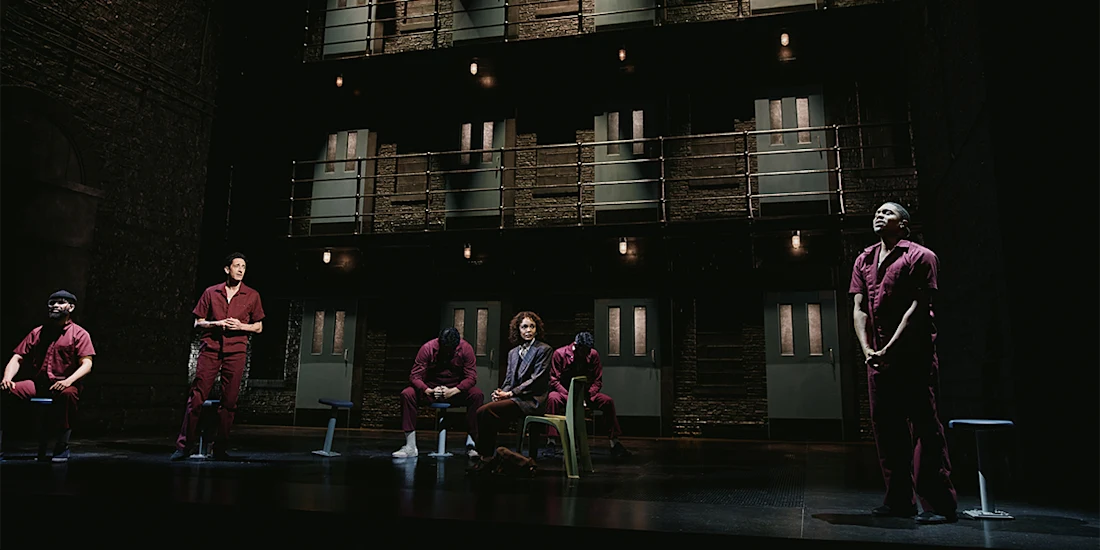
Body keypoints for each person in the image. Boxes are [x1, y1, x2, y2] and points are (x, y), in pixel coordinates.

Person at [850, 202, 957, 524]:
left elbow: (918, 307)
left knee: (925, 428)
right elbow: (859, 308)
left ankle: (939, 505)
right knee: (887, 429)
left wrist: (889, 349)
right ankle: (899, 501)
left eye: (888, 213)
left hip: (914, 358)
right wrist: (868, 349)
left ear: (904, 224)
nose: (879, 215)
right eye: (877, 213)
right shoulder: (864, 259)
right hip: (878, 361)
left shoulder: (921, 256)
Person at [171, 252, 264, 461]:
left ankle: (220, 448)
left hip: (236, 351)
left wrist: (241, 326)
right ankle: (184, 446)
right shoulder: (211, 292)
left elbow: (258, 327)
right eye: (237, 266)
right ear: (227, 269)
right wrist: (217, 324)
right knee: (197, 397)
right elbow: (198, 323)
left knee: (229, 402)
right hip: (211, 349)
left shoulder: (252, 295)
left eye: (243, 267)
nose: (240, 270)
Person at [0, 290, 95, 463]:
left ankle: (62, 445)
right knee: (6, 391)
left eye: (60, 302)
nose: (55, 306)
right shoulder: (38, 332)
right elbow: (17, 357)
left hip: (64, 384)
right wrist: (7, 378)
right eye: (52, 303)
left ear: (71, 307)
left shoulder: (79, 334)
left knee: (68, 395)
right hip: (39, 384)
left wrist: (68, 381)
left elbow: (87, 364)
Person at [468, 311, 552, 472]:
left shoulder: (544, 350)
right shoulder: (513, 353)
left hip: (532, 400)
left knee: (485, 411)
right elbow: (508, 380)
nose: (528, 330)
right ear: (518, 330)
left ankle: (486, 458)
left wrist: (510, 394)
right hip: (516, 398)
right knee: (483, 413)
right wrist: (501, 393)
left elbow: (536, 380)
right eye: (524, 327)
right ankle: (487, 456)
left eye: (532, 326)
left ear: (537, 329)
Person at [392, 327, 484, 458]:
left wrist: (454, 390)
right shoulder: (427, 348)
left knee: (477, 395)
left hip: (455, 391)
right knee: (407, 394)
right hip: (431, 389)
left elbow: (471, 377)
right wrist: (427, 390)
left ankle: (472, 444)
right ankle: (410, 446)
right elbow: (415, 376)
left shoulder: (466, 349)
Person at [545, 331, 631, 458]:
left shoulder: (593, 355)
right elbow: (554, 380)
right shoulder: (560, 354)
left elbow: (597, 381)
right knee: (552, 398)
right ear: (576, 346)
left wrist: (587, 396)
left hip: (586, 394)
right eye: (583, 351)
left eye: (588, 351)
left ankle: (615, 442)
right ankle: (551, 442)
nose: (586, 353)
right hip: (565, 393)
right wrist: (569, 397)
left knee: (607, 401)